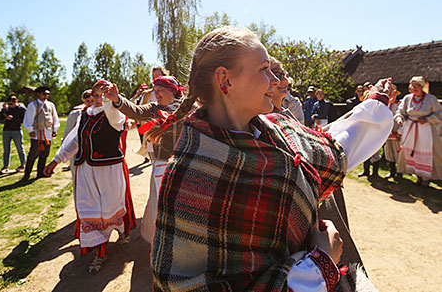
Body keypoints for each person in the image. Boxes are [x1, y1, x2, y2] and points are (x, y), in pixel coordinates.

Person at [150, 26, 394, 291]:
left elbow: (335, 148)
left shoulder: (280, 128)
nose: (274, 81)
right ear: (225, 80)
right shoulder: (190, 174)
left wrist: (376, 105)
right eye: (264, 69)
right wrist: (319, 265)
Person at [43, 80, 137, 272]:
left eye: (102, 94)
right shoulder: (84, 115)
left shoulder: (113, 114)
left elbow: (117, 120)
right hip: (86, 170)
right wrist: (56, 160)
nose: (97, 99)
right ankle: (100, 251)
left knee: (109, 209)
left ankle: (120, 233)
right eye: (95, 95)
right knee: (91, 211)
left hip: (108, 170)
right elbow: (74, 141)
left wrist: (113, 100)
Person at [103, 75, 187, 245]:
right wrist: (117, 99)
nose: (156, 95)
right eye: (155, 91)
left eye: (160, 90)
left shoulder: (187, 108)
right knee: (159, 203)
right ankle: (159, 240)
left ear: (172, 91)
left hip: (183, 165)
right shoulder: (153, 108)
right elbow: (136, 111)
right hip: (161, 164)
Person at [395, 76, 442, 186]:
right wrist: (399, 119)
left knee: (425, 153)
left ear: (422, 87)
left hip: (426, 131)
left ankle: (426, 178)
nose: (414, 88)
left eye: (417, 86)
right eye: (413, 85)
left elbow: (439, 114)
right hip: (410, 129)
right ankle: (418, 176)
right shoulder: (407, 98)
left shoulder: (431, 99)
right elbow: (400, 111)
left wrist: (427, 119)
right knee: (413, 152)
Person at [22, 86, 60, 181]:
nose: (45, 96)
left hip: (48, 133)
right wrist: (30, 130)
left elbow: (55, 117)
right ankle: (27, 174)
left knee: (44, 154)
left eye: (47, 94)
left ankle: (40, 173)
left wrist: (54, 129)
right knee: (33, 154)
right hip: (37, 134)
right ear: (38, 94)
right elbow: (28, 119)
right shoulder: (33, 105)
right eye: (44, 94)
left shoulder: (51, 105)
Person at [269, 57, 304, 124]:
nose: (285, 80)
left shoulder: (286, 113)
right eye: (277, 75)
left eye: (283, 74)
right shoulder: (265, 118)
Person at [0, 95, 27, 174]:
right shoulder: (7, 109)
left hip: (17, 130)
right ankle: (5, 166)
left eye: (11, 104)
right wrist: (3, 109)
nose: (10, 106)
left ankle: (22, 165)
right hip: (6, 131)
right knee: (6, 149)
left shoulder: (21, 109)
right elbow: (0, 118)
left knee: (19, 148)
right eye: (8, 104)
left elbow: (24, 120)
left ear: (16, 102)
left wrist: (13, 118)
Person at [384, 85, 402, 179]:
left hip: (396, 131)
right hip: (387, 133)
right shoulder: (386, 105)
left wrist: (400, 132)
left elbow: (402, 118)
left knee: (398, 152)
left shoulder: (400, 104)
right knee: (388, 152)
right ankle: (392, 171)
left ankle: (399, 173)